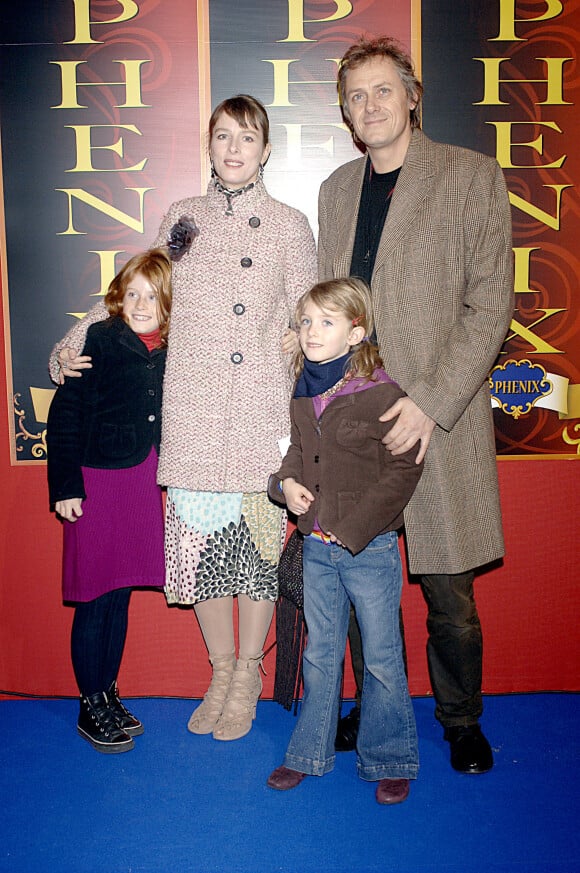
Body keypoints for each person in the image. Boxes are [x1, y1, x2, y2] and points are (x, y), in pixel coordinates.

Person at [49, 95, 318, 742]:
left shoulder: (287, 224)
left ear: (266, 149)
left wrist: (293, 336)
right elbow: (140, 284)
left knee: (253, 554)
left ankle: (249, 673)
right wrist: (75, 338)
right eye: (222, 137)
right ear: (209, 145)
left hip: (256, 408)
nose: (233, 150)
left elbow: (309, 311)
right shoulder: (186, 220)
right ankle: (219, 670)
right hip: (192, 409)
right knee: (203, 555)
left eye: (246, 138)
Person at [318, 36, 514, 773]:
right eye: (355, 97)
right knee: (365, 582)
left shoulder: (469, 176)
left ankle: (461, 717)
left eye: (381, 90)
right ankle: (376, 707)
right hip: (357, 426)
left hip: (438, 421)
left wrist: (430, 403)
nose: (369, 105)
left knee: (449, 590)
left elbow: (489, 304)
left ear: (412, 96)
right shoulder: (336, 189)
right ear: (345, 112)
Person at [266, 277, 423, 805]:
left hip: (369, 548)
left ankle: (391, 757)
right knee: (319, 652)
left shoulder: (381, 393)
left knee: (380, 656)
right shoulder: (304, 389)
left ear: (356, 332)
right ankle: (308, 753)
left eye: (326, 322)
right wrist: (283, 486)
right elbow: (295, 456)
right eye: (305, 320)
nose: (311, 331)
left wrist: (356, 531)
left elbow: (403, 471)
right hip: (316, 547)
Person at [47, 248, 172, 753]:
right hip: (97, 481)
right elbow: (65, 417)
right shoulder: (97, 339)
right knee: (96, 597)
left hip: (143, 477)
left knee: (120, 595)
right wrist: (65, 487)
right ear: (118, 299)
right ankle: (89, 700)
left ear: (169, 305)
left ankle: (108, 691)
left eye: (153, 296)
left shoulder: (175, 348)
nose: (141, 304)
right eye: (133, 294)